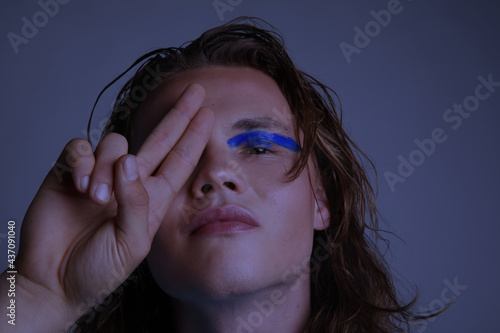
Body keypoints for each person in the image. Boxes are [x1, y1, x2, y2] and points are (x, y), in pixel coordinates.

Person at [0, 18, 433, 332]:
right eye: (175, 157)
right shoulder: (36, 301)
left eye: (260, 147)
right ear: (120, 202)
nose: (217, 175)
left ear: (323, 200)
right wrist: (39, 295)